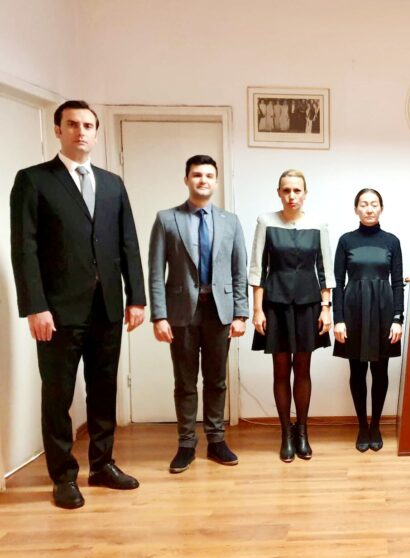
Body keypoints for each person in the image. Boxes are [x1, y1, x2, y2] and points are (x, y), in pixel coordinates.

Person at [9, 100, 146, 509]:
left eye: (88, 125)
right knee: (58, 396)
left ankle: (102, 465)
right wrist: (35, 306)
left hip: (107, 307)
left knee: (104, 391)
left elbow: (128, 243)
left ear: (96, 133)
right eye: (72, 124)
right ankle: (63, 476)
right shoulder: (34, 180)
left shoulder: (112, 183)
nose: (80, 131)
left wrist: (136, 297)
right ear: (58, 130)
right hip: (57, 311)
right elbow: (24, 249)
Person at [148, 155, 248, 474]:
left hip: (220, 311)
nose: (203, 180)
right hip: (181, 313)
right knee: (185, 381)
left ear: (216, 181)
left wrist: (241, 314)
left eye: (208, 175)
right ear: (186, 180)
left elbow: (239, 270)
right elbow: (155, 271)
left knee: (217, 380)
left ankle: (216, 441)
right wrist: (159, 316)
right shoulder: (167, 219)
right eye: (196, 175)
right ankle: (186, 444)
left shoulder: (231, 221)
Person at [249, 169, 335, 462]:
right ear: (279, 193)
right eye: (286, 190)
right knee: (281, 368)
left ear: (305, 193)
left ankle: (303, 432)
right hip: (275, 303)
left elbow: (325, 268)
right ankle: (286, 432)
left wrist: (327, 307)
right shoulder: (266, 221)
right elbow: (258, 268)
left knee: (303, 368)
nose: (291, 196)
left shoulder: (318, 224)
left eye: (297, 190)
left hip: (309, 303)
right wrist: (257, 309)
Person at [333, 188, 404, 452]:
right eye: (364, 204)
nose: (369, 209)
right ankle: (362, 425)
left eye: (374, 204)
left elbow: (398, 282)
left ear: (381, 208)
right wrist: (338, 318)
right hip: (353, 312)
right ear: (356, 209)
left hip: (384, 312)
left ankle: (376, 425)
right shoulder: (346, 241)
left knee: (380, 371)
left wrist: (398, 319)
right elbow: (337, 282)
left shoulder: (392, 241)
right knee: (357, 371)